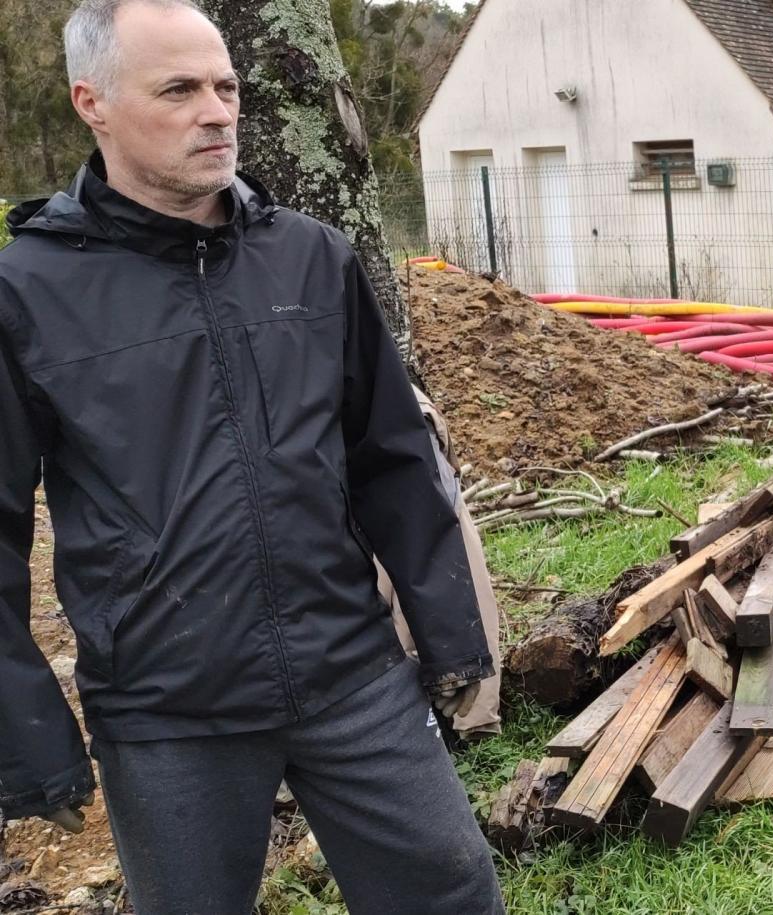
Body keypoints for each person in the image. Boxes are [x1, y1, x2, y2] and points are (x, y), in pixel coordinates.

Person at [0, 1, 505, 912]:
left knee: (452, 889)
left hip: (350, 672)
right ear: (92, 102)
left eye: (226, 87)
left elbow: (392, 459)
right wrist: (26, 733)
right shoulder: (29, 293)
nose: (217, 113)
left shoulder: (311, 258)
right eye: (179, 90)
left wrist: (451, 636)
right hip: (167, 710)